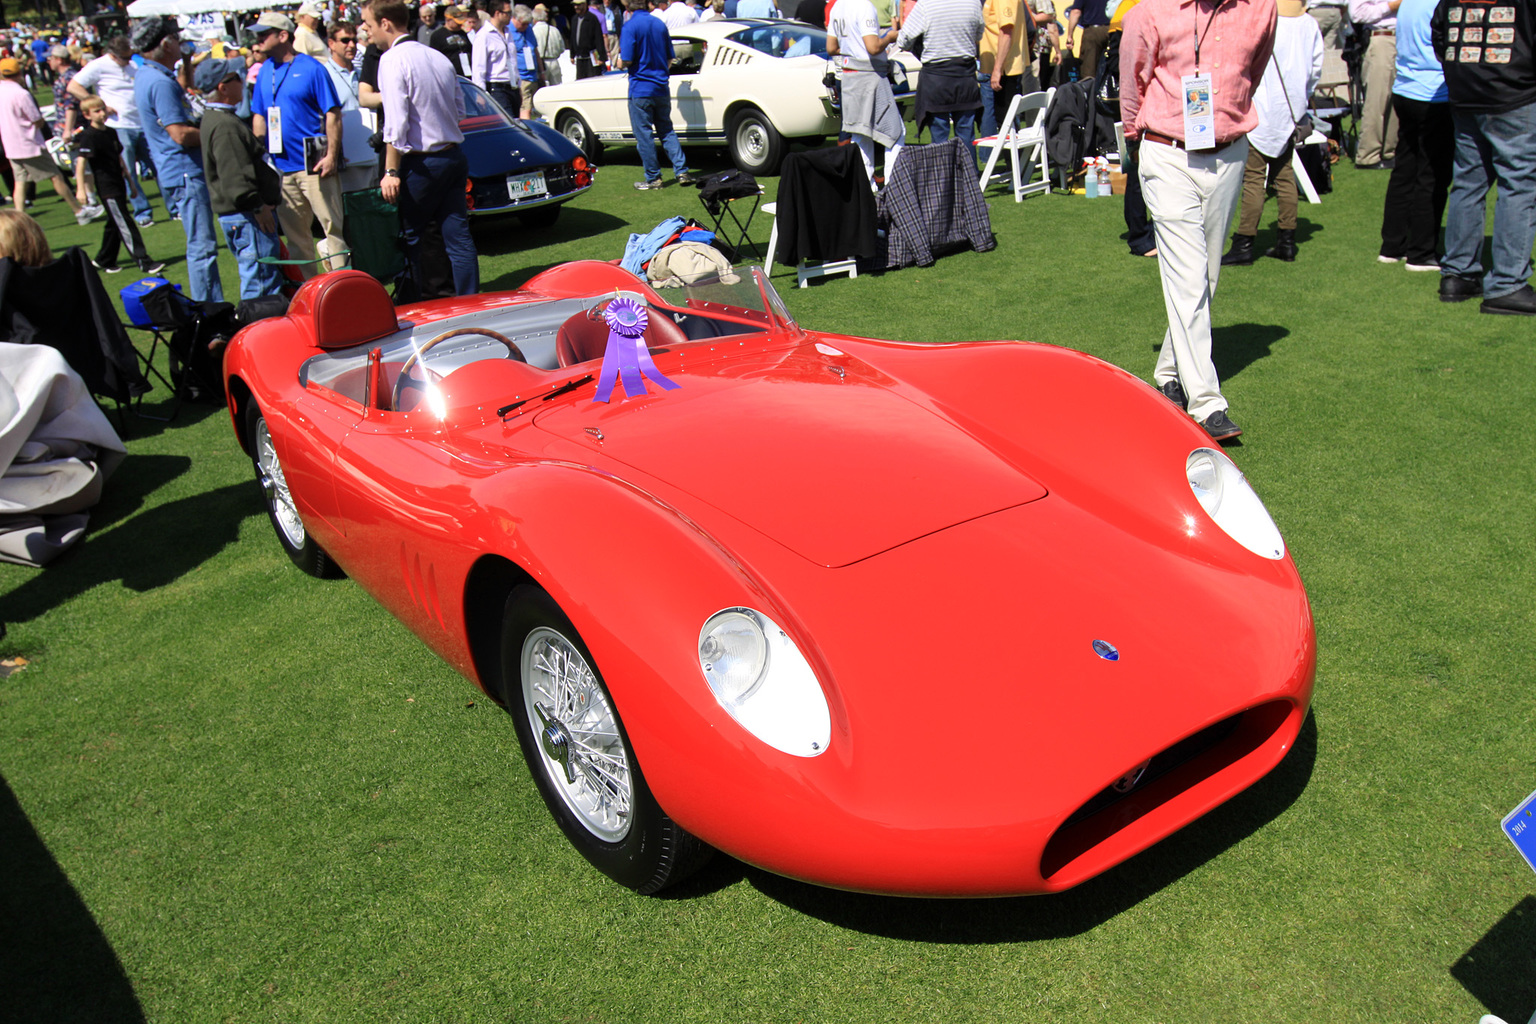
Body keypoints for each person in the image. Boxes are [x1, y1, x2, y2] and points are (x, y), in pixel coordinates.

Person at [1120, 0, 1276, 442]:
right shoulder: (1150, 9)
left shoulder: (1263, 9)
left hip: (1229, 152)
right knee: (1189, 278)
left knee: (1205, 276)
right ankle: (1206, 402)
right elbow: (1133, 81)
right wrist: (1136, 141)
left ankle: (1169, 370)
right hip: (1166, 152)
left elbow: (1253, 71)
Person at [364, 0, 480, 295]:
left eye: (370, 24)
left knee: (412, 236)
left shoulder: (392, 60)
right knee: (458, 238)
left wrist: (391, 170)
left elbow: (396, 122)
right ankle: (470, 300)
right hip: (452, 154)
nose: (367, 31)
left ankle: (416, 301)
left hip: (422, 162)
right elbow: (459, 109)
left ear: (386, 23)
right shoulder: (437, 57)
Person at [1432, 0, 1536, 313]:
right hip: (1512, 91)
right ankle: (1507, 283)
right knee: (1517, 184)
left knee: (1468, 180)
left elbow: (1439, 30)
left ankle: (1459, 273)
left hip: (1467, 90)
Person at [1220, 0, 1322, 265]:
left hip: (1261, 108)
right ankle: (1286, 243)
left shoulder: (1262, 18)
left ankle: (1244, 244)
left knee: (1254, 179)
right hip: (1290, 112)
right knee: (1285, 176)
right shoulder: (1309, 25)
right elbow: (1315, 71)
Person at [133, 16, 223, 303]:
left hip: (178, 170)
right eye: (176, 38)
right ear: (165, 42)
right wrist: (217, 132)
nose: (180, 41)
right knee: (203, 246)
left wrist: (185, 62)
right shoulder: (159, 82)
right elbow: (180, 133)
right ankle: (207, 308)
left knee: (202, 244)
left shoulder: (150, 75)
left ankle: (208, 306)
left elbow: (181, 91)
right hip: (185, 171)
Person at [250, 10, 346, 278]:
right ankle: (310, 294)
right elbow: (259, 114)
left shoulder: (312, 68)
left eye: (263, 33)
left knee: (332, 231)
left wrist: (331, 155)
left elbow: (333, 114)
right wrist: (261, 157)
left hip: (314, 164)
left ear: (283, 36)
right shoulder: (265, 70)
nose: (257, 40)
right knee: (296, 239)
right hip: (281, 168)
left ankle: (343, 288)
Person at [197, 57, 284, 300]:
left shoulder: (218, 119)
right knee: (261, 285)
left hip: (242, 215)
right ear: (222, 88)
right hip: (247, 215)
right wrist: (257, 207)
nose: (242, 81)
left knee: (260, 278)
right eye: (235, 78)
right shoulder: (224, 124)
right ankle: (258, 334)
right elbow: (235, 177)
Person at [1375, 0, 1448, 270]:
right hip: (1432, 93)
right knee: (1432, 174)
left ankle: (1392, 245)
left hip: (1406, 89)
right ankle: (1420, 252)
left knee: (1405, 170)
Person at [68, 35, 157, 227]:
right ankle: (142, 212)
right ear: (113, 55)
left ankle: (174, 208)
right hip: (119, 125)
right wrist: (99, 105)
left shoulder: (134, 64)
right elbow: (73, 86)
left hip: (142, 122)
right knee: (128, 171)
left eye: (130, 56)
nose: (128, 60)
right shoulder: (98, 66)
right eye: (124, 58)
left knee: (158, 166)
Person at [73, 96, 164, 275]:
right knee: (125, 222)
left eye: (102, 109)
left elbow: (119, 158)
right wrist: (80, 188)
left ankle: (104, 259)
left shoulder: (111, 132)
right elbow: (81, 164)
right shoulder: (88, 137)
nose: (102, 113)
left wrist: (131, 182)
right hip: (107, 188)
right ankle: (143, 260)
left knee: (114, 222)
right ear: (87, 115)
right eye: (96, 111)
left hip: (119, 182)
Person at [0, 58, 95, 224]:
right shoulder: (21, 93)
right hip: (29, 144)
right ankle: (79, 211)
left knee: (20, 182)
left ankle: (20, 220)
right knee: (56, 177)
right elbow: (37, 119)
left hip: (11, 144)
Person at [827, 0, 906, 186]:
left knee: (861, 134)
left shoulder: (837, 6)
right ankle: (894, 187)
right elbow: (873, 47)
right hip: (868, 76)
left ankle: (866, 187)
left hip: (849, 75)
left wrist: (851, 50)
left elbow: (831, 47)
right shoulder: (864, 6)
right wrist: (889, 37)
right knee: (895, 133)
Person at [619, 0, 693, 188]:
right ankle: (682, 171)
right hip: (660, 86)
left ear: (628, 6)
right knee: (666, 129)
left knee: (644, 134)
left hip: (640, 87)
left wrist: (620, 63)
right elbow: (670, 57)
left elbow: (626, 59)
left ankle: (654, 177)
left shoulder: (630, 26)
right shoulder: (659, 24)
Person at [897, 0, 984, 158]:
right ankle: (969, 179)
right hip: (964, 75)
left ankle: (943, 181)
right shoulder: (973, 3)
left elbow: (903, 39)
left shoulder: (926, 4)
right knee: (966, 135)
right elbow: (979, 34)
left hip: (936, 79)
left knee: (939, 139)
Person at [324, 22, 382, 190]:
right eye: (344, 40)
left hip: (373, 150)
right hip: (348, 156)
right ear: (331, 44)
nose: (351, 45)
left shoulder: (362, 71)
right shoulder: (323, 74)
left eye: (353, 40)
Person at [1349, 0, 1397, 167]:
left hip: (1405, 37)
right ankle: (1368, 155)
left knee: (1396, 98)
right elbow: (1356, 13)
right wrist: (1391, 6)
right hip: (1382, 37)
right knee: (1377, 99)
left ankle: (1389, 151)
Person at [473, 1, 519, 112]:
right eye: (508, 13)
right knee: (507, 125)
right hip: (497, 88)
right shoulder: (484, 36)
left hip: (513, 86)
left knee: (517, 123)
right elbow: (478, 67)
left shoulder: (508, 33)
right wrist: (480, 93)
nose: (511, 16)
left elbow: (512, 60)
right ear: (497, 13)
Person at [1061, 0, 1113, 85]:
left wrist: (1070, 35)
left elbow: (1076, 12)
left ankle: (1089, 94)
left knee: (1089, 72)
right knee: (1112, 67)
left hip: (1092, 32)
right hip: (1113, 30)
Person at [508, 6, 545, 117]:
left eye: (527, 23)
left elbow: (535, 50)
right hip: (520, 77)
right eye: (523, 23)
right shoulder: (507, 30)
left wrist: (542, 71)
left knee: (533, 108)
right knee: (525, 107)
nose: (525, 26)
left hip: (533, 75)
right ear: (514, 18)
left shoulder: (528, 28)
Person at [430, 4, 475, 75]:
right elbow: (434, 59)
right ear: (448, 20)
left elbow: (470, 50)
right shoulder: (437, 36)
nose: (460, 25)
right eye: (457, 23)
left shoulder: (462, 33)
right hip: (450, 75)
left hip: (467, 74)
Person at [48, 45, 81, 139]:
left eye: (51, 58)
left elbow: (71, 105)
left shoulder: (68, 78)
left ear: (59, 60)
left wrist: (67, 130)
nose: (49, 61)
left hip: (72, 130)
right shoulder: (68, 76)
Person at [570, 0, 608, 78]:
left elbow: (598, 39)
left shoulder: (592, 18)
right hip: (580, 58)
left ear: (585, 5)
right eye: (575, 5)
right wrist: (572, 54)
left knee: (593, 78)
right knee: (580, 81)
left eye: (579, 5)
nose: (576, 7)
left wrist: (602, 56)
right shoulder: (574, 19)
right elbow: (573, 37)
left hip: (592, 56)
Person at [532, 4, 565, 84]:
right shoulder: (554, 30)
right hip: (554, 62)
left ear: (534, 19)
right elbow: (562, 48)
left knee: (543, 89)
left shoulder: (533, 31)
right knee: (557, 89)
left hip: (542, 65)